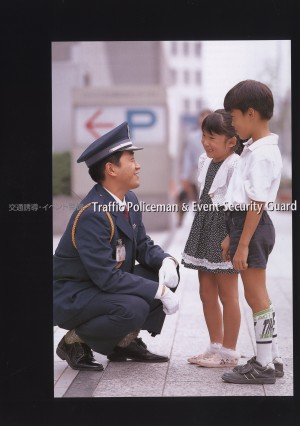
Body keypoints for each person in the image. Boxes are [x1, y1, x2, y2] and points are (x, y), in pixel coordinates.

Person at [53, 122, 180, 371]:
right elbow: (107, 278)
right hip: (75, 294)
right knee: (133, 306)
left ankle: (123, 342)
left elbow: (142, 244)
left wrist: (167, 261)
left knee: (163, 275)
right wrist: (159, 292)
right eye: (131, 159)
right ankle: (73, 342)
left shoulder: (128, 199)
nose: (138, 165)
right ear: (111, 169)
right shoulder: (92, 214)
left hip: (99, 285)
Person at [220, 80, 283, 385]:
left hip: (253, 226)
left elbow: (256, 204)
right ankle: (272, 357)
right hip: (247, 225)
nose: (231, 125)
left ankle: (265, 365)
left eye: (233, 118)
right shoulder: (256, 149)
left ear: (251, 114)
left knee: (256, 296)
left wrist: (242, 244)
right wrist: (233, 236)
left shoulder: (261, 154)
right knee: (259, 296)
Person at [182, 109, 243, 368]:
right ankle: (214, 346)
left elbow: (240, 204)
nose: (205, 142)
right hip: (203, 226)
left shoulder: (235, 164)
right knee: (206, 292)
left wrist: (233, 237)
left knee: (228, 295)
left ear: (231, 141)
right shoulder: (204, 161)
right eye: (204, 135)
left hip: (224, 232)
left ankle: (229, 353)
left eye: (212, 137)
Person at [177, 109, 211, 226]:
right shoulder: (192, 137)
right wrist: (184, 177)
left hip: (217, 172)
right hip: (198, 175)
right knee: (198, 203)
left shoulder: (220, 136)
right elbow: (188, 158)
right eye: (202, 118)